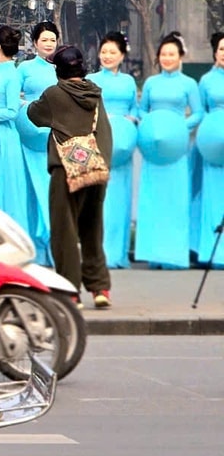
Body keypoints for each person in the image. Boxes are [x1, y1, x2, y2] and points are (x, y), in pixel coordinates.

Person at [29, 45, 113, 307]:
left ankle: (70, 291)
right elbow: (106, 131)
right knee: (92, 228)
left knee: (65, 231)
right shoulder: (94, 93)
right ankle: (100, 289)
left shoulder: (54, 94)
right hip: (96, 168)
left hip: (66, 172)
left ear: (59, 70)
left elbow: (34, 115)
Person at [137, 35, 200, 268]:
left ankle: (174, 255)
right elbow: (141, 111)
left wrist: (179, 127)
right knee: (153, 201)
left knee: (175, 201)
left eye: (171, 54)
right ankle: (154, 254)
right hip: (154, 150)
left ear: (180, 56)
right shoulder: (151, 83)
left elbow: (198, 112)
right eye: (163, 54)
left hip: (176, 150)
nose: (167, 58)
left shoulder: (188, 84)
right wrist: (152, 124)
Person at [0, 26, 39, 242]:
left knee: (3, 185)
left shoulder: (11, 74)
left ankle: (10, 240)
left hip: (5, 138)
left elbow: (13, 111)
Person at [91, 32, 138, 288]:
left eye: (112, 52)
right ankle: (99, 253)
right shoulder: (90, 80)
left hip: (123, 151)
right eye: (104, 51)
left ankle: (119, 254)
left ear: (122, 55)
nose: (107, 56)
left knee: (120, 201)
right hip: (98, 146)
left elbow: (136, 109)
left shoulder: (130, 82)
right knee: (100, 203)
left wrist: (131, 119)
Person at [14, 21, 61, 260]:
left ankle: (55, 246)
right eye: (44, 40)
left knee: (53, 191)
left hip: (56, 139)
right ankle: (35, 249)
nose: (49, 44)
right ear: (35, 43)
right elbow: (12, 96)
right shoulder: (24, 68)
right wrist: (23, 106)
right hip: (29, 138)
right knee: (31, 192)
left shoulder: (62, 68)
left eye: (52, 40)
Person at [197, 33, 224, 270]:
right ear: (215, 52)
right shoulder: (206, 80)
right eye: (222, 49)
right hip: (213, 148)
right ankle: (212, 252)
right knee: (214, 198)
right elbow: (201, 110)